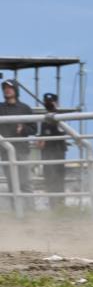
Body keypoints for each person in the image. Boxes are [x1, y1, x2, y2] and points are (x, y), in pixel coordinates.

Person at [0, 79, 36, 210]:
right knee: (12, 183)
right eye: (5, 88)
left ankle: (30, 210)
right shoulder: (0, 107)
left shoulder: (25, 108)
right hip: (5, 151)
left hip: (22, 150)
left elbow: (34, 129)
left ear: (15, 89)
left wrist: (23, 129)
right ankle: (16, 211)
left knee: (25, 182)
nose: (7, 90)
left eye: (10, 87)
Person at [38, 93, 67, 208]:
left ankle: (60, 203)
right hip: (46, 152)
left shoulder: (60, 117)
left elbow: (62, 131)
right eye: (46, 102)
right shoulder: (44, 118)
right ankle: (52, 203)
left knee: (58, 177)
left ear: (56, 103)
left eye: (51, 101)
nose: (49, 104)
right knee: (49, 177)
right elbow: (42, 135)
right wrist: (40, 140)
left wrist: (56, 112)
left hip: (58, 150)